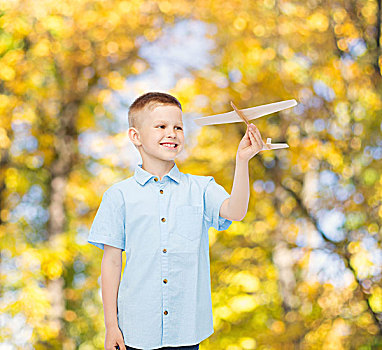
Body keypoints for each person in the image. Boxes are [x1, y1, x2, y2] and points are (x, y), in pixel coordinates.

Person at [88, 92, 268, 350]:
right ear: (135, 136)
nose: (171, 133)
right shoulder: (118, 195)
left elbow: (236, 211)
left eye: (178, 127)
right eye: (161, 126)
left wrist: (243, 161)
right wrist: (111, 325)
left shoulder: (202, 187)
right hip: (135, 331)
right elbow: (112, 262)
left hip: (186, 332)